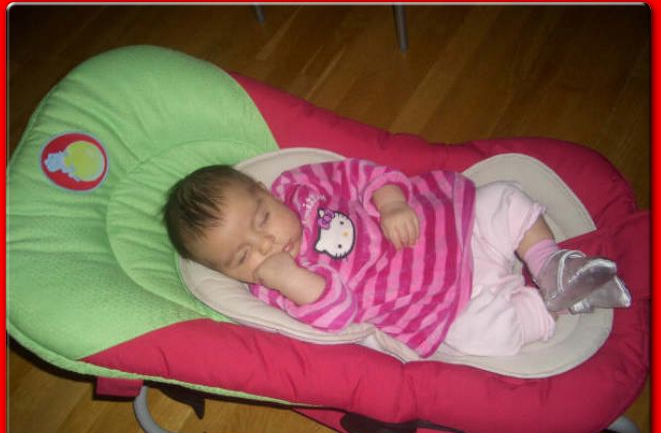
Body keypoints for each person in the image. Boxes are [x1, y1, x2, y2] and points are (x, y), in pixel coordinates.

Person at [163, 158, 630, 358]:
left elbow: (358, 172)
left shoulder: (300, 187)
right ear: (227, 272)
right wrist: (288, 279)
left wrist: (390, 203)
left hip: (448, 228)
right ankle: (551, 305)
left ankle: (550, 264)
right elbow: (339, 316)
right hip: (438, 303)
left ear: (266, 191)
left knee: (502, 197)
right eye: (243, 255)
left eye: (263, 219)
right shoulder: (274, 286)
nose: (265, 244)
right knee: (481, 335)